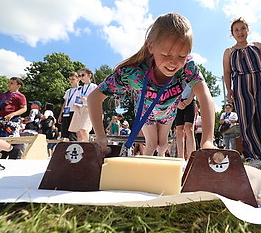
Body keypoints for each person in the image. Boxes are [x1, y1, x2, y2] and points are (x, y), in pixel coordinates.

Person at [88, 12, 216, 156]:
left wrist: (208, 141)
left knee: (162, 145)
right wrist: (100, 136)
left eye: (181, 56)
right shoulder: (134, 73)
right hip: (146, 112)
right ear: (151, 47)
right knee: (151, 143)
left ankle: (160, 160)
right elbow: (94, 98)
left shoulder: (187, 66)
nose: (173, 63)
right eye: (166, 55)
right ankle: (144, 169)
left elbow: (205, 98)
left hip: (168, 111)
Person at [223, 17, 261, 167]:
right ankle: (255, 156)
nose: (240, 32)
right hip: (241, 84)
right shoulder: (229, 51)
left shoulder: (257, 46)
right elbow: (227, 72)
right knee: (247, 119)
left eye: (243, 28)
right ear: (232, 34)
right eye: (236, 30)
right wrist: (229, 90)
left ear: (248, 30)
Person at [68, 68, 98, 142]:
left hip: (89, 109)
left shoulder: (94, 86)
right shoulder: (80, 88)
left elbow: (96, 99)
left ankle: (88, 147)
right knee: (78, 131)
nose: (81, 77)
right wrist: (76, 105)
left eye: (83, 75)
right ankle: (80, 149)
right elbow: (78, 98)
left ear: (89, 75)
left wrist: (87, 100)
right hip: (79, 109)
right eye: (79, 75)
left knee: (84, 129)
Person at [174, 82, 196, 159]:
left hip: (190, 100)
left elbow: (196, 85)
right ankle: (180, 157)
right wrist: (177, 101)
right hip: (177, 101)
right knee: (179, 128)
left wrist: (189, 100)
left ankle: (191, 156)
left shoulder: (191, 71)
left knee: (189, 128)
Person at [58, 72, 79, 141]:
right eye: (70, 79)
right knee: (64, 131)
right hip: (66, 112)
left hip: (75, 111)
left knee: (73, 132)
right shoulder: (68, 91)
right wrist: (61, 114)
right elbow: (65, 103)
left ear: (78, 79)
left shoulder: (80, 89)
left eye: (73, 79)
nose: (71, 81)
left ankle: (74, 145)